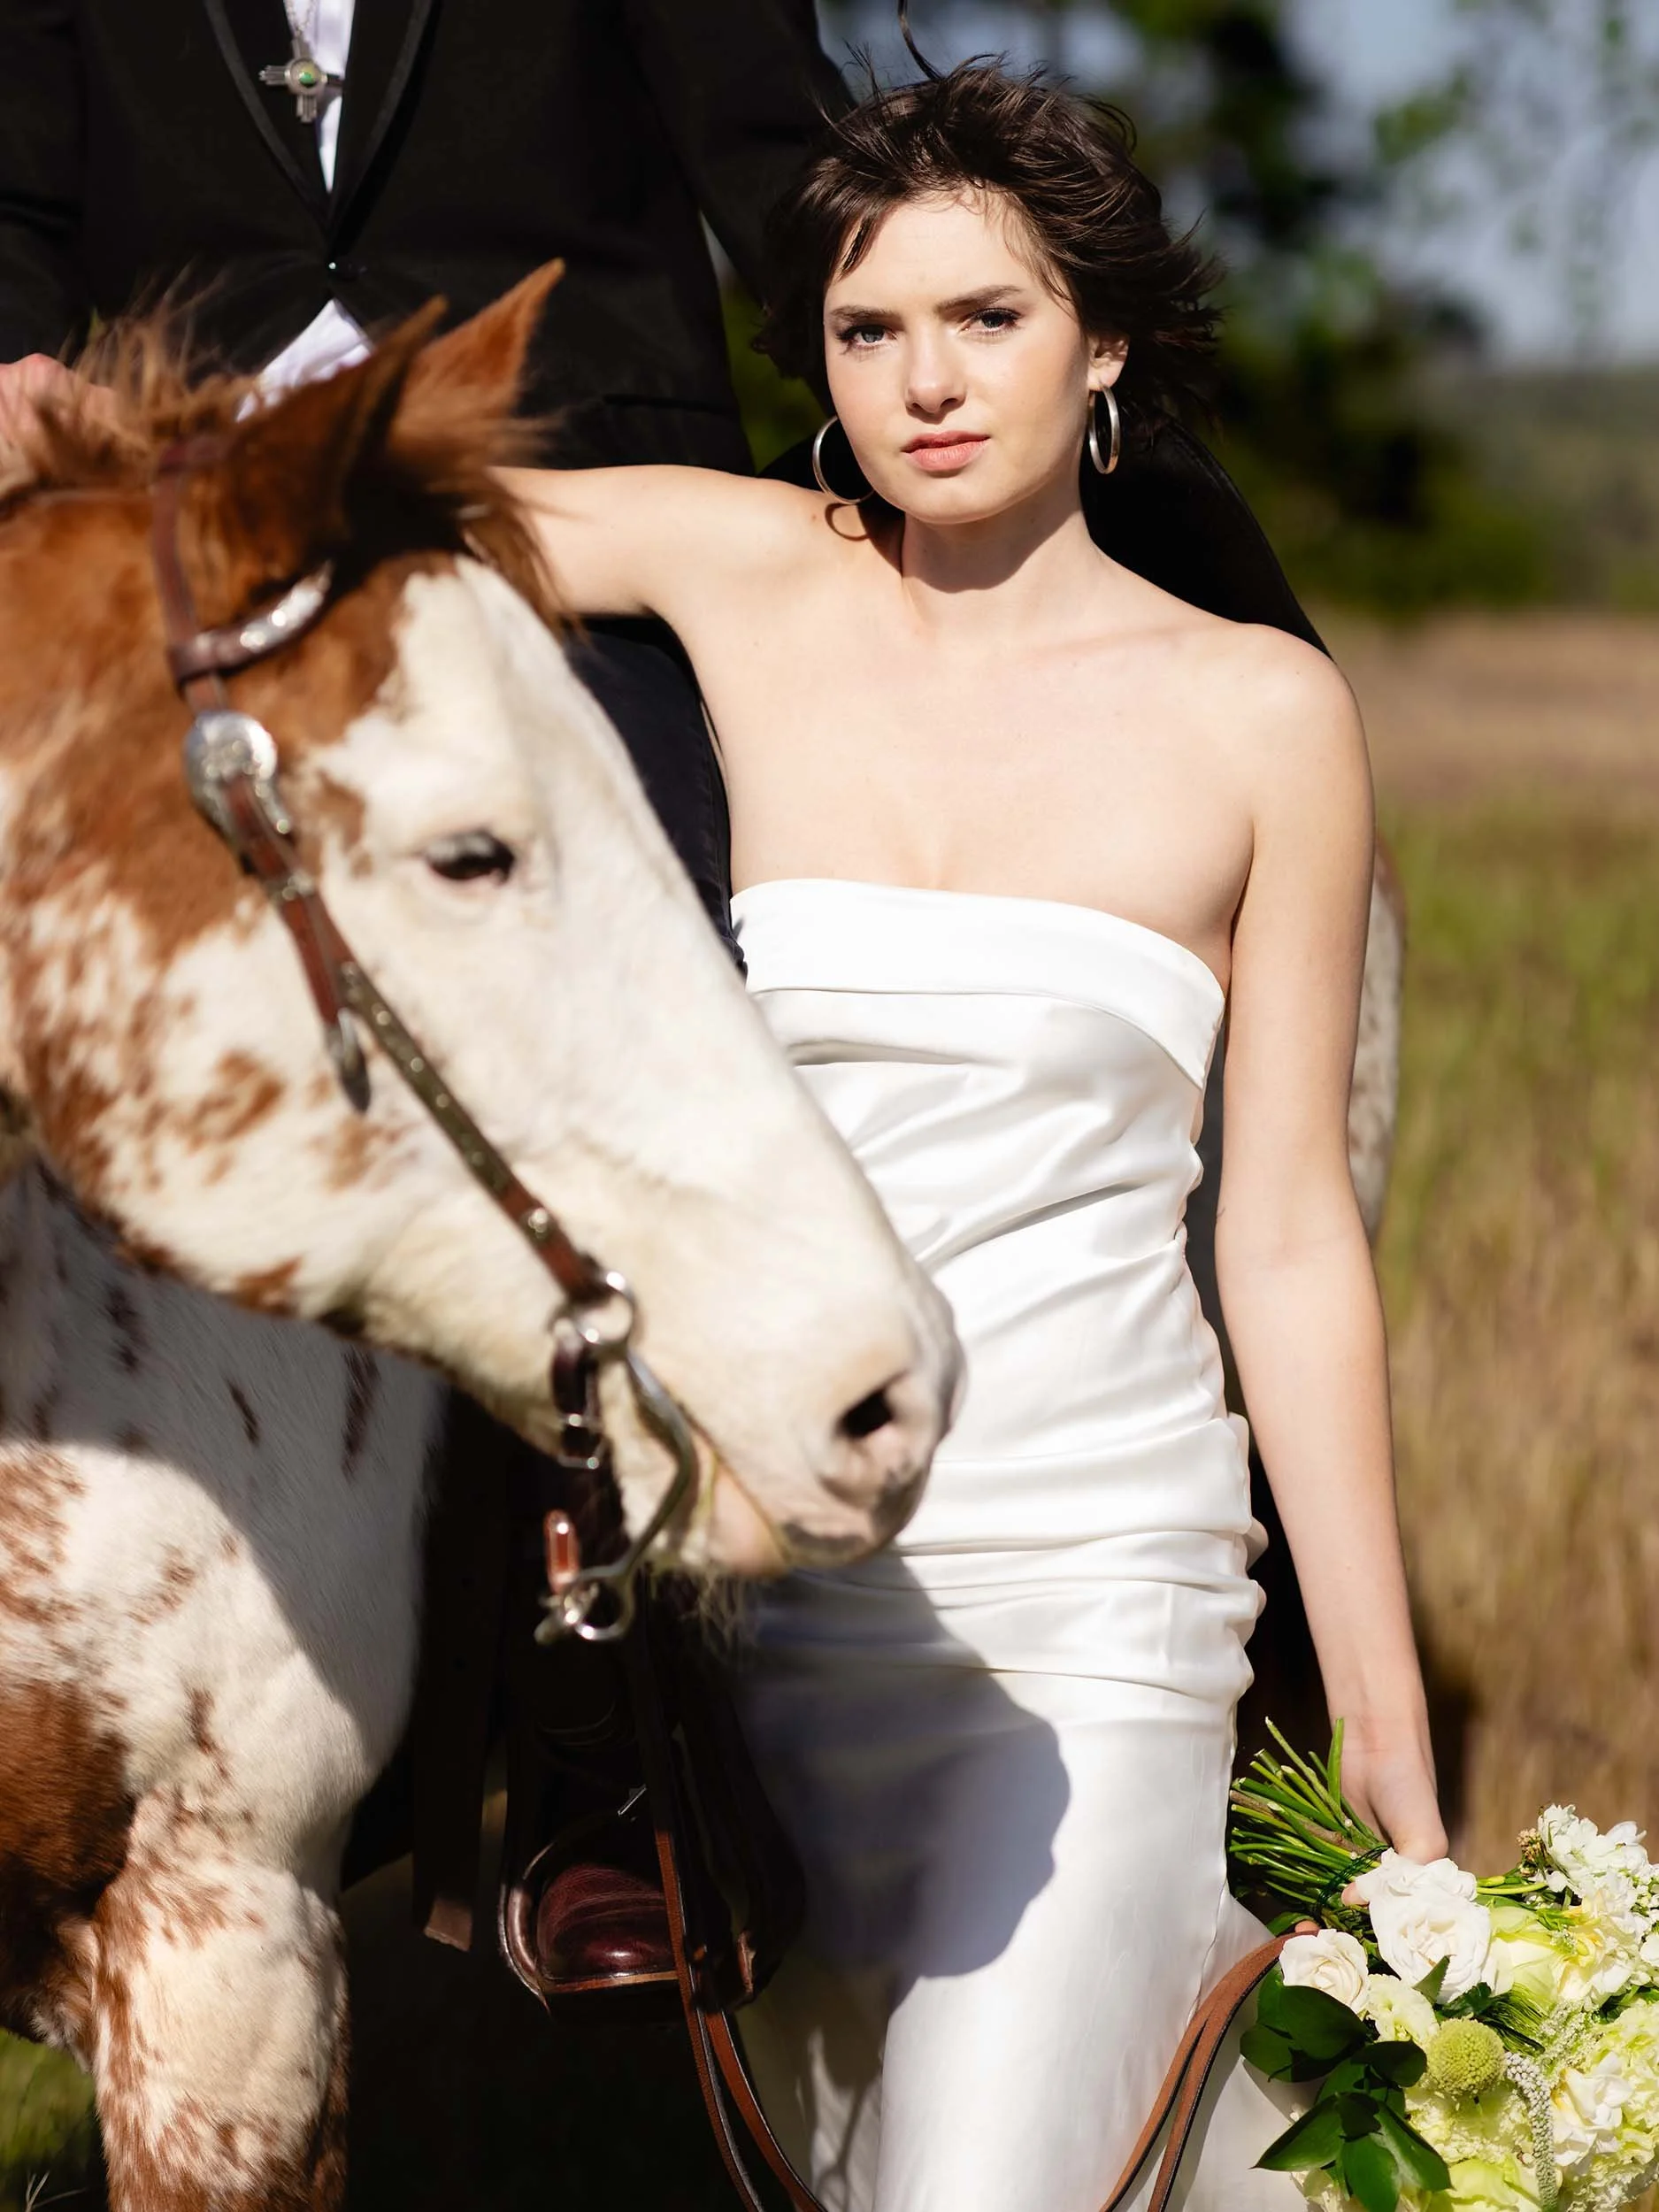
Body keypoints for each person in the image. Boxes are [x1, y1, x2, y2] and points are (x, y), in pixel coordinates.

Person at [501, 58, 1448, 2212]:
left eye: (985, 320)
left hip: (1097, 1609)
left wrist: (1377, 1710)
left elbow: (1284, 1235)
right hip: (765, 1620)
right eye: (864, 331)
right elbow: (364, 509)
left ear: (1099, 341)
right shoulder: (741, 573)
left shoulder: (1257, 716)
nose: (922, 384)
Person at [0, 0, 843, 938]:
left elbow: (782, 165)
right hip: (189, 525)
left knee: (632, 939)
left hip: (566, 525)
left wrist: (912, 404)